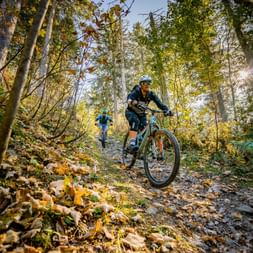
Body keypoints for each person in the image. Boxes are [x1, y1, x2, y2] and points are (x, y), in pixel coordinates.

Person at [125, 75, 173, 155]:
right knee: (135, 121)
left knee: (146, 130)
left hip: (142, 114)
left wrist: (167, 110)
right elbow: (129, 98)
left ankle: (145, 149)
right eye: (145, 83)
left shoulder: (151, 94)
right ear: (141, 84)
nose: (147, 85)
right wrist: (133, 102)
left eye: (149, 83)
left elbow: (160, 104)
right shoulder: (136, 91)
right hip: (131, 112)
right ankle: (132, 144)